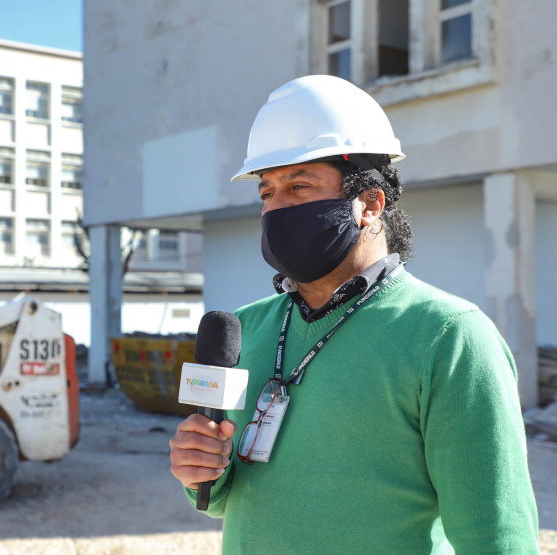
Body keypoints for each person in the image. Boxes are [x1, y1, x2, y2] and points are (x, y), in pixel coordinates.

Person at [169, 75, 539, 553]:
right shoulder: (246, 328)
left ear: (369, 204)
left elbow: (496, 534)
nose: (276, 208)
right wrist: (200, 468)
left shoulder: (449, 336)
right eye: (266, 192)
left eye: (299, 187)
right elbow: (221, 499)